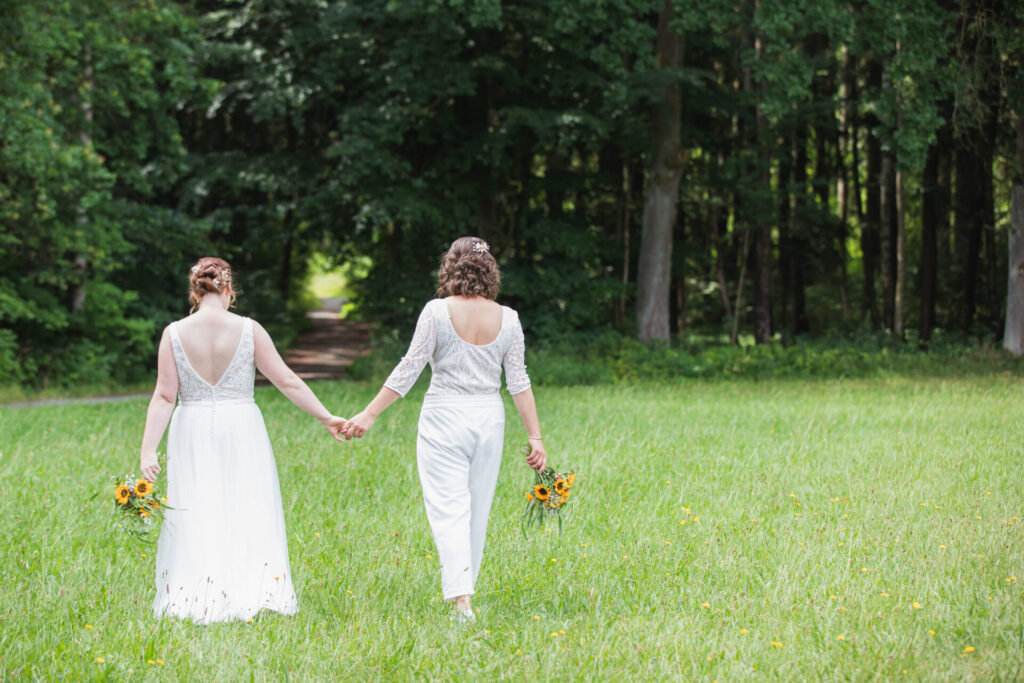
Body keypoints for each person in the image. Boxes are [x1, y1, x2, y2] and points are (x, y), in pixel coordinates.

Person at [342, 236, 546, 622]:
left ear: (450, 267)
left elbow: (410, 366)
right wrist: (535, 436)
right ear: (489, 270)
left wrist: (369, 414)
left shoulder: (436, 311)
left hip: (444, 416)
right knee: (477, 510)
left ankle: (462, 600)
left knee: (448, 509)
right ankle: (463, 593)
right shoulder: (509, 318)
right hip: (489, 419)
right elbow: (518, 381)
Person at [139, 257, 347, 623]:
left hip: (191, 426)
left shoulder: (173, 333)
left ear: (195, 291)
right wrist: (325, 416)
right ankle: (254, 588)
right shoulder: (250, 330)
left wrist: (147, 449)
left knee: (196, 505)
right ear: (228, 291)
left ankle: (194, 593)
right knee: (246, 502)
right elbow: (287, 381)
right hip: (241, 425)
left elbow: (163, 396)